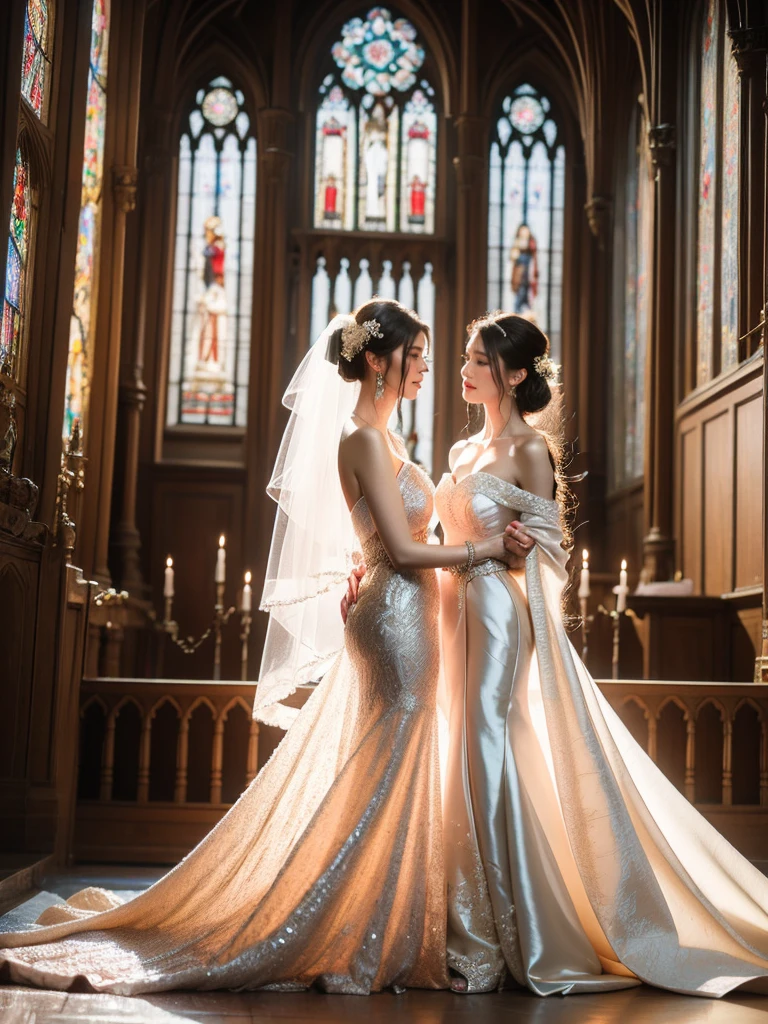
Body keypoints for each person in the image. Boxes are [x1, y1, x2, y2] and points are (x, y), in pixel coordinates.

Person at [0, 300, 520, 996]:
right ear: (376, 360)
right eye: (417, 354)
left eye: (427, 355)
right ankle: (362, 936)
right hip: (396, 622)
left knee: (389, 773)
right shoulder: (360, 438)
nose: (427, 366)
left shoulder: (385, 439)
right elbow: (397, 548)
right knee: (391, 769)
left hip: (403, 612)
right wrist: (485, 549)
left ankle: (387, 927)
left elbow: (388, 541)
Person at [434, 311, 768, 997]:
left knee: (487, 747)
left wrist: (521, 551)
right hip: (453, 611)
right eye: (465, 357)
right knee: (464, 750)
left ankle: (502, 934)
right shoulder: (464, 454)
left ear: (515, 373)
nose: (463, 369)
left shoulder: (530, 450)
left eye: (476, 359)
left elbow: (553, 548)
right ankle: (468, 920)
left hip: (501, 613)